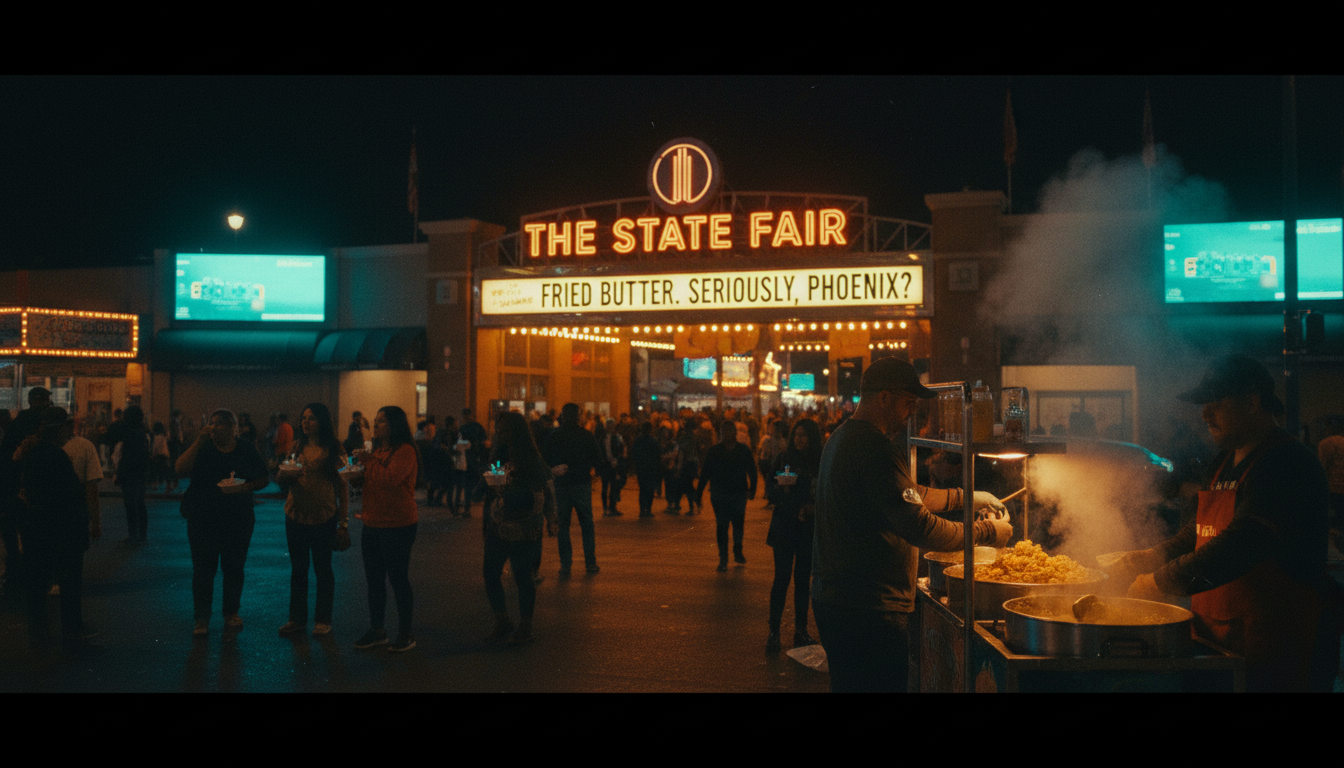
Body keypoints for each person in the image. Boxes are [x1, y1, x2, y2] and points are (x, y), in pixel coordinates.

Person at [1106, 354, 1339, 692]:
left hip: (1277, 647)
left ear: (1252, 402)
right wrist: (1146, 558)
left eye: (1215, 402)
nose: (1204, 413)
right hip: (1220, 641)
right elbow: (1200, 531)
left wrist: (1161, 580)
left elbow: (1242, 542)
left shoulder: (1286, 462)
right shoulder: (1224, 460)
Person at [811, 357, 1011, 693]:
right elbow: (920, 526)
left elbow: (909, 493)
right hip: (868, 607)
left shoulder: (844, 436)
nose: (911, 413)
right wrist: (987, 533)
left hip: (841, 600)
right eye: (908, 402)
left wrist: (968, 497)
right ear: (884, 398)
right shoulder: (873, 447)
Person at [176, 409, 270, 636]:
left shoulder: (245, 448)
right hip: (202, 518)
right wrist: (199, 440)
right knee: (203, 570)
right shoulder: (203, 447)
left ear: (231, 427)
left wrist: (244, 487)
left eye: (218, 423)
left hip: (238, 518)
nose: (213, 427)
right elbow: (180, 468)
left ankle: (231, 612)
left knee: (234, 567)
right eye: (211, 423)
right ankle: (201, 618)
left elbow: (263, 477)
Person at [15, 407, 98, 649]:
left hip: (36, 528)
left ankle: (38, 629)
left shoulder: (30, 454)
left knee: (37, 581)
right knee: (70, 581)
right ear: (61, 429)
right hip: (64, 529)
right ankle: (72, 629)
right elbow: (72, 495)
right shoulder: (57, 456)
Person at [275, 403, 349, 638]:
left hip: (323, 516)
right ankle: (296, 619)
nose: (306, 422)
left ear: (322, 422)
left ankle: (323, 620)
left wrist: (343, 522)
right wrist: (285, 475)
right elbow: (281, 476)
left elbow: (343, 485)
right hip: (295, 514)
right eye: (304, 418)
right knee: (298, 569)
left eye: (312, 419)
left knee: (323, 569)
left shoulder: (334, 448)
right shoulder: (297, 446)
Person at [484, 411, 558, 643]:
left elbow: (543, 488)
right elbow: (494, 485)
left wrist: (551, 518)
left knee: (523, 577)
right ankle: (502, 620)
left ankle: (525, 626)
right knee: (490, 573)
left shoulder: (531, 457)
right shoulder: (499, 454)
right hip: (499, 524)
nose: (500, 435)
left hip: (525, 527)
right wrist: (494, 484)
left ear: (517, 432)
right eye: (498, 430)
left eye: (505, 431)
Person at [351, 406, 419, 652]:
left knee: (398, 579)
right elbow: (374, 478)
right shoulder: (379, 450)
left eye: (381, 422)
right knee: (374, 581)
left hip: (398, 524)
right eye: (376, 421)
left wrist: (368, 462)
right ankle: (377, 630)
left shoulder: (406, 451)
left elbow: (391, 479)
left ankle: (406, 632)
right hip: (372, 522)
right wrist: (358, 475)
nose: (376, 425)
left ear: (395, 425)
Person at [765, 418, 822, 653]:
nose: (800, 439)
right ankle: (774, 632)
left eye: (804, 435)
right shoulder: (784, 459)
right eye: (797, 434)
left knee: (802, 581)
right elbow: (771, 491)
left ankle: (801, 630)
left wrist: (812, 508)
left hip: (808, 530)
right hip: (785, 528)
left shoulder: (819, 461)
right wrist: (786, 496)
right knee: (781, 579)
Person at [1, 387, 51, 604]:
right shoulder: (45, 427)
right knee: (35, 537)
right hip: (38, 489)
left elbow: (6, 458)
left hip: (14, 490)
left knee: (14, 535)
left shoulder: (17, 426)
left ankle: (15, 578)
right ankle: (35, 581)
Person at [542, 403, 605, 575]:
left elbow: (545, 459)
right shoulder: (586, 436)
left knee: (563, 525)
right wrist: (590, 471)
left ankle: (565, 564)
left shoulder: (554, 436)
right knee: (587, 524)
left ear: (563, 416)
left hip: (561, 484)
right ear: (578, 417)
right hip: (581, 483)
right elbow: (598, 459)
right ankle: (590, 562)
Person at [696, 420, 758, 571]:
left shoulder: (743, 450)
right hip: (719, 494)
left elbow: (752, 471)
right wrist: (698, 494)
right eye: (724, 432)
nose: (727, 435)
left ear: (735, 433)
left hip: (738, 493)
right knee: (722, 526)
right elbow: (705, 473)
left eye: (730, 431)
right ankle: (723, 557)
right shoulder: (714, 451)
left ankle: (737, 549)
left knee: (738, 524)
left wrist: (752, 489)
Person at [110, 405, 151, 543]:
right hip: (141, 473)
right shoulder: (143, 432)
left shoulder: (128, 432)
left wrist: (119, 473)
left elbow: (126, 457)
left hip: (130, 474)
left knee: (130, 505)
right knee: (139, 503)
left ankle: (133, 534)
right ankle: (142, 534)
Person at [457, 408, 489, 517]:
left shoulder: (462, 428)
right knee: (478, 482)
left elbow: (460, 444)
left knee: (467, 485)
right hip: (477, 459)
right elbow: (485, 441)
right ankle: (476, 504)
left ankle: (467, 509)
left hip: (468, 460)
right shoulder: (477, 426)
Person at [629, 422, 662, 519]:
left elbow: (634, 454)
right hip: (651, 469)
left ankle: (643, 509)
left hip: (641, 468)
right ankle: (648, 509)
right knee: (650, 490)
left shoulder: (638, 440)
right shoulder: (653, 441)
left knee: (643, 489)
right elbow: (658, 454)